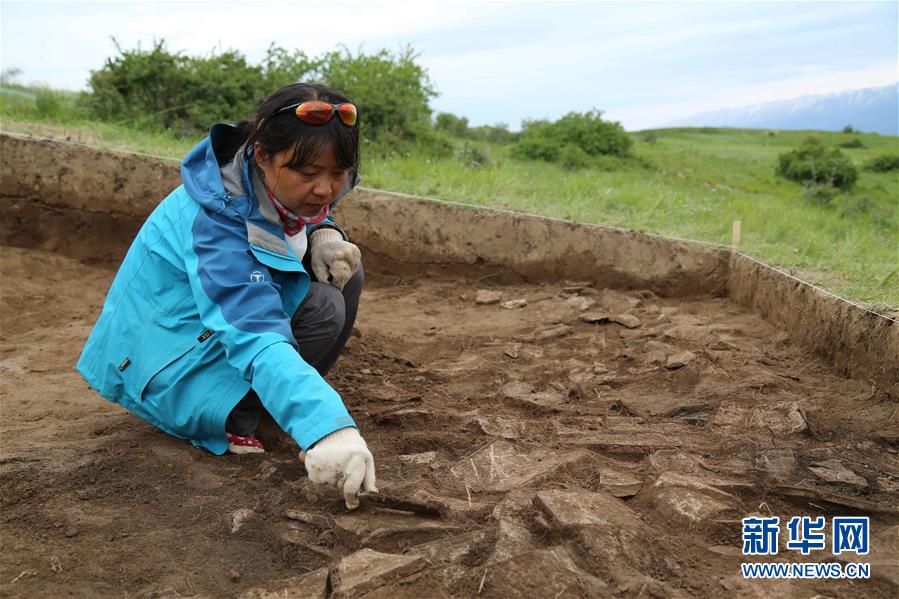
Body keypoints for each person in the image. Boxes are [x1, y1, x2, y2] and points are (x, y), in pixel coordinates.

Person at [76, 83, 377, 509]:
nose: (325, 190)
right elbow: (252, 327)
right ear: (261, 156)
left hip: (203, 334)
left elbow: (286, 223)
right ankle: (230, 413)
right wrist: (326, 427)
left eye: (337, 173)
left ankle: (273, 398)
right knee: (322, 307)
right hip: (161, 367)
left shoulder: (261, 185)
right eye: (308, 175)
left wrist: (324, 230)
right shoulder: (215, 222)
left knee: (344, 269)